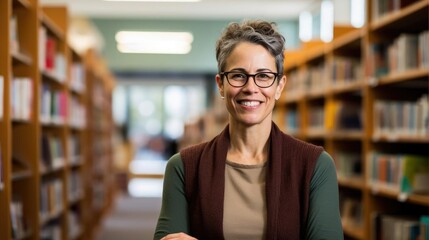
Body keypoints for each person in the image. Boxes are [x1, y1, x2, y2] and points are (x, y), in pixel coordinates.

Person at [154, 19, 343, 240]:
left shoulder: (315, 166)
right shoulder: (184, 167)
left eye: (263, 76)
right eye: (238, 75)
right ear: (221, 85)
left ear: (279, 86)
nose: (251, 88)